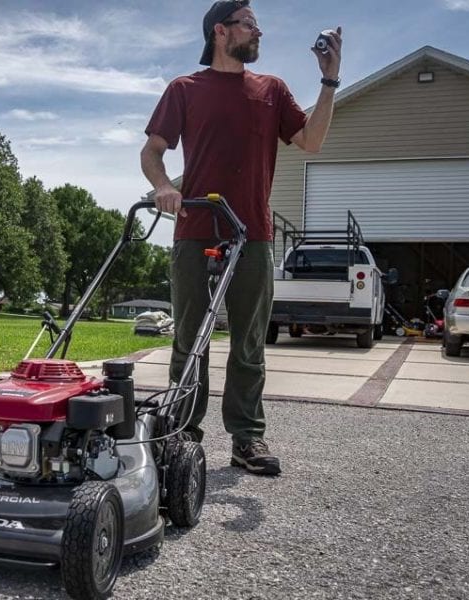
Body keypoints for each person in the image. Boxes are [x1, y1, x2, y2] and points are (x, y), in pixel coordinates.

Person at [140, 0, 342, 475]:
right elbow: (152, 152)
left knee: (249, 341)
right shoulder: (185, 89)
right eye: (250, 24)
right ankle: (182, 432)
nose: (259, 32)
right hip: (194, 231)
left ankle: (247, 438)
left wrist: (329, 80)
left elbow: (311, 141)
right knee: (190, 339)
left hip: (251, 234)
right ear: (221, 32)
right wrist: (164, 186)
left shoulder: (271, 89)